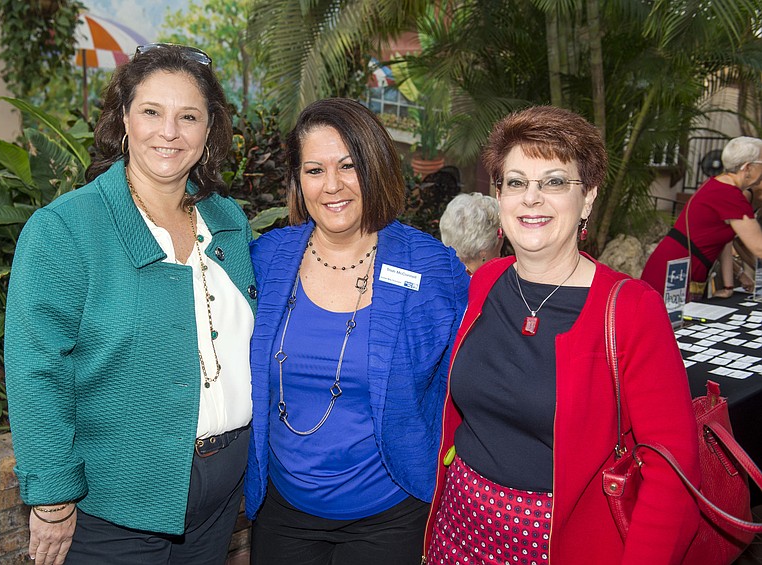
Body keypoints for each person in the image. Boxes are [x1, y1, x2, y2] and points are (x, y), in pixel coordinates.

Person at [5, 44, 256, 565]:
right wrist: (52, 500)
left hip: (220, 498)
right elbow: (36, 374)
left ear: (210, 130)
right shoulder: (65, 231)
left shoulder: (229, 221)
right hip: (117, 506)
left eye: (189, 116)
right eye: (151, 112)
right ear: (123, 119)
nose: (169, 131)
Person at [425, 106, 700, 564]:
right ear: (500, 196)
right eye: (515, 182)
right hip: (459, 528)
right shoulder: (486, 281)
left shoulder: (631, 308)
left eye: (554, 182)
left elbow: (672, 470)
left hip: (561, 542)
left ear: (588, 197)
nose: (531, 198)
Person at [245, 97, 469, 565]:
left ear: (376, 168)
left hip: (389, 517)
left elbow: (466, 384)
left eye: (349, 166)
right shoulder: (266, 260)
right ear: (297, 180)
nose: (332, 186)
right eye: (314, 170)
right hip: (282, 513)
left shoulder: (432, 269)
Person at [641, 135, 762, 300]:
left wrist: (729, 285)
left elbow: (723, 240)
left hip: (680, 267)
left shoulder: (720, 184)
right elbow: (758, 247)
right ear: (747, 168)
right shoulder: (730, 195)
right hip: (674, 272)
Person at [439, 192, 503, 275]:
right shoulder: (491, 283)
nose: (501, 241)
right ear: (484, 251)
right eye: (501, 234)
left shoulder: (439, 272)